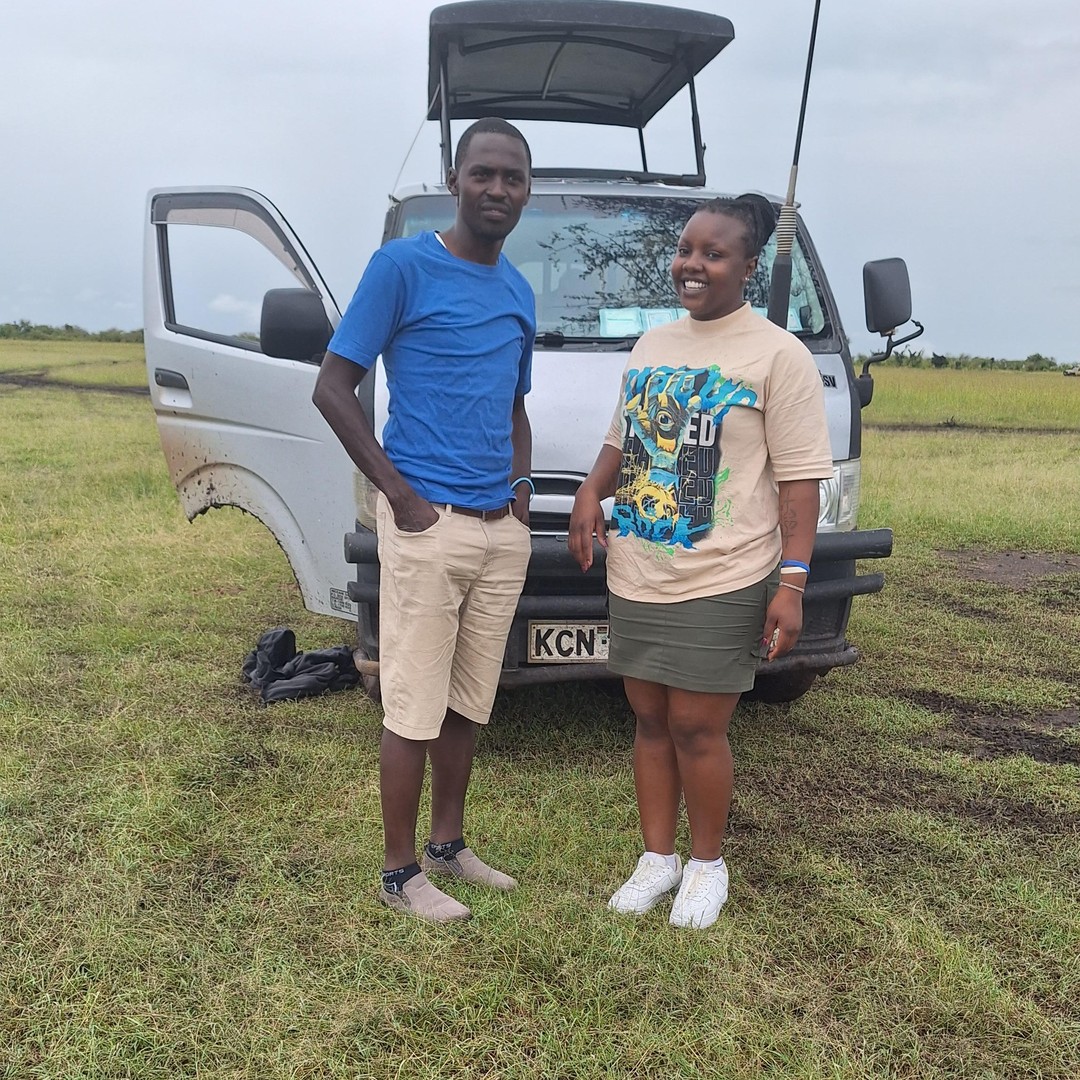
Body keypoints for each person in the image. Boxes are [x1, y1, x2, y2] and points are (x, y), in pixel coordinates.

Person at [567, 196, 833, 929]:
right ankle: (658, 858)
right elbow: (622, 439)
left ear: (748, 268)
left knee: (696, 726)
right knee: (649, 719)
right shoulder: (652, 345)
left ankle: (707, 865)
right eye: (686, 249)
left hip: (725, 574)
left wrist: (793, 583)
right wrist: (590, 491)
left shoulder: (779, 355)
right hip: (637, 568)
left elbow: (800, 481)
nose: (692, 264)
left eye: (713, 254)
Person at [312, 118, 535, 923]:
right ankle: (398, 872)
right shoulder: (402, 267)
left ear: (527, 191)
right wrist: (400, 497)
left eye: (512, 177)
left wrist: (519, 494)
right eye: (483, 173)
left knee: (468, 700)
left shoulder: (518, 290)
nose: (497, 189)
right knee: (412, 702)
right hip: (427, 523)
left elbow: (514, 405)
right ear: (455, 180)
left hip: (497, 530)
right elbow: (332, 388)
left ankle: (447, 846)